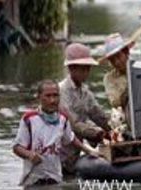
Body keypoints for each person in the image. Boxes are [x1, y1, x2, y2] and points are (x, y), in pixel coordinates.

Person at [12, 80, 98, 186]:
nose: (52, 100)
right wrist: (30, 155)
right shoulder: (29, 119)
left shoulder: (63, 119)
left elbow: (71, 138)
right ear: (39, 97)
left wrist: (90, 151)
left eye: (55, 96)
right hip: (33, 181)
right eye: (47, 96)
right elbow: (17, 147)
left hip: (55, 179)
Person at [59, 43, 110, 174]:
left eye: (88, 68)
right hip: (58, 155)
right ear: (71, 68)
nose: (87, 72)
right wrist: (96, 133)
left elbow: (98, 115)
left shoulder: (85, 92)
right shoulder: (61, 91)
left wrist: (114, 129)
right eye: (83, 69)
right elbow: (73, 124)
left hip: (73, 155)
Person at [103, 33, 133, 110]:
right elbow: (115, 103)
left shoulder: (140, 69)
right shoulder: (109, 78)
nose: (117, 62)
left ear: (126, 53)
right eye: (112, 60)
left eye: (118, 56)